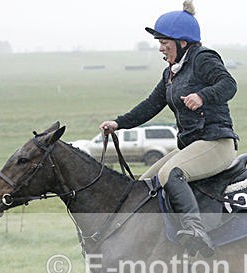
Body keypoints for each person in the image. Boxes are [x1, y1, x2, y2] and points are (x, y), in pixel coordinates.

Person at [99, 0, 238, 257]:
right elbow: (151, 105)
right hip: (192, 146)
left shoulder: (203, 59)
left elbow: (229, 84)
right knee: (144, 185)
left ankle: (196, 231)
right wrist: (119, 123)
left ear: (183, 43)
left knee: (171, 173)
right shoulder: (171, 73)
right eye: (160, 43)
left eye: (165, 43)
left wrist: (203, 96)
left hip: (216, 142)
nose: (161, 48)